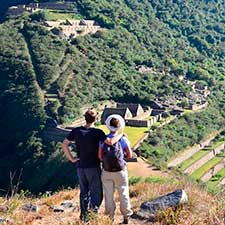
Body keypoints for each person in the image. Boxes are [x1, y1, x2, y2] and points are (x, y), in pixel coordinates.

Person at [62, 108, 125, 221]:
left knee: (84, 192)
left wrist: (71, 159)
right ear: (96, 119)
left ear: (84, 118)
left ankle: (83, 217)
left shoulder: (76, 131)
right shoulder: (97, 132)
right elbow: (110, 142)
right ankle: (92, 216)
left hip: (81, 167)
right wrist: (120, 135)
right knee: (96, 193)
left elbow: (65, 144)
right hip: (93, 167)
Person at [98, 114, 133, 224]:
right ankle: (126, 217)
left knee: (108, 195)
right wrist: (122, 159)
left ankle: (110, 218)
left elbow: (99, 157)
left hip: (107, 171)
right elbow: (130, 155)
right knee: (123, 192)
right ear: (119, 127)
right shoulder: (123, 139)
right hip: (120, 171)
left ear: (108, 126)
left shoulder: (102, 140)